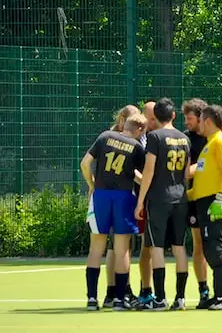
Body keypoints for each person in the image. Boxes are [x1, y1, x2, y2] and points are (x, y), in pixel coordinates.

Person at [81, 113, 147, 311]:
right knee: (121, 250)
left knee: (95, 249)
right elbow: (142, 176)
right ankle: (120, 299)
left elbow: (85, 163)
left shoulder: (104, 136)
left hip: (101, 196)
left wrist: (92, 184)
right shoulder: (136, 147)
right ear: (140, 130)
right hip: (123, 197)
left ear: (124, 124)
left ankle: (92, 299)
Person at [135, 98, 191, 311]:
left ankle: (160, 298)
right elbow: (186, 173)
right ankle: (181, 298)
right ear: (174, 115)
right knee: (179, 247)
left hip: (159, 199)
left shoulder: (155, 137)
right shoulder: (184, 138)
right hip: (181, 198)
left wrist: (140, 201)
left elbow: (149, 171)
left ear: (155, 117)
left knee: (156, 247)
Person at [189, 104, 222, 310]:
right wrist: (184, 196)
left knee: (216, 249)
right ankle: (219, 296)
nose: (197, 125)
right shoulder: (209, 144)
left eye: (200, 121)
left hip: (216, 201)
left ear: (207, 121)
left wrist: (220, 197)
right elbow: (202, 180)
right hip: (204, 202)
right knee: (209, 248)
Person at [102, 104, 142, 309]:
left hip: (118, 197)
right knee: (119, 247)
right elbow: (134, 171)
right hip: (121, 197)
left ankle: (116, 292)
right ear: (123, 121)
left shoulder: (114, 137)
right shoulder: (119, 139)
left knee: (118, 247)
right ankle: (120, 291)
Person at [181, 98, 211, 309]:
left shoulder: (216, 138)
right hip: (194, 199)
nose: (187, 122)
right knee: (198, 243)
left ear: (201, 118)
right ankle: (204, 290)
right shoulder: (185, 140)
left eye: (189, 118)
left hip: (218, 197)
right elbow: (186, 171)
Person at [135, 100, 158, 306]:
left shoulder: (168, 136)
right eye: (150, 118)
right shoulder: (137, 140)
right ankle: (146, 290)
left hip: (166, 200)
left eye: (155, 118)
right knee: (147, 246)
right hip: (144, 200)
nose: (153, 122)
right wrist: (145, 184)